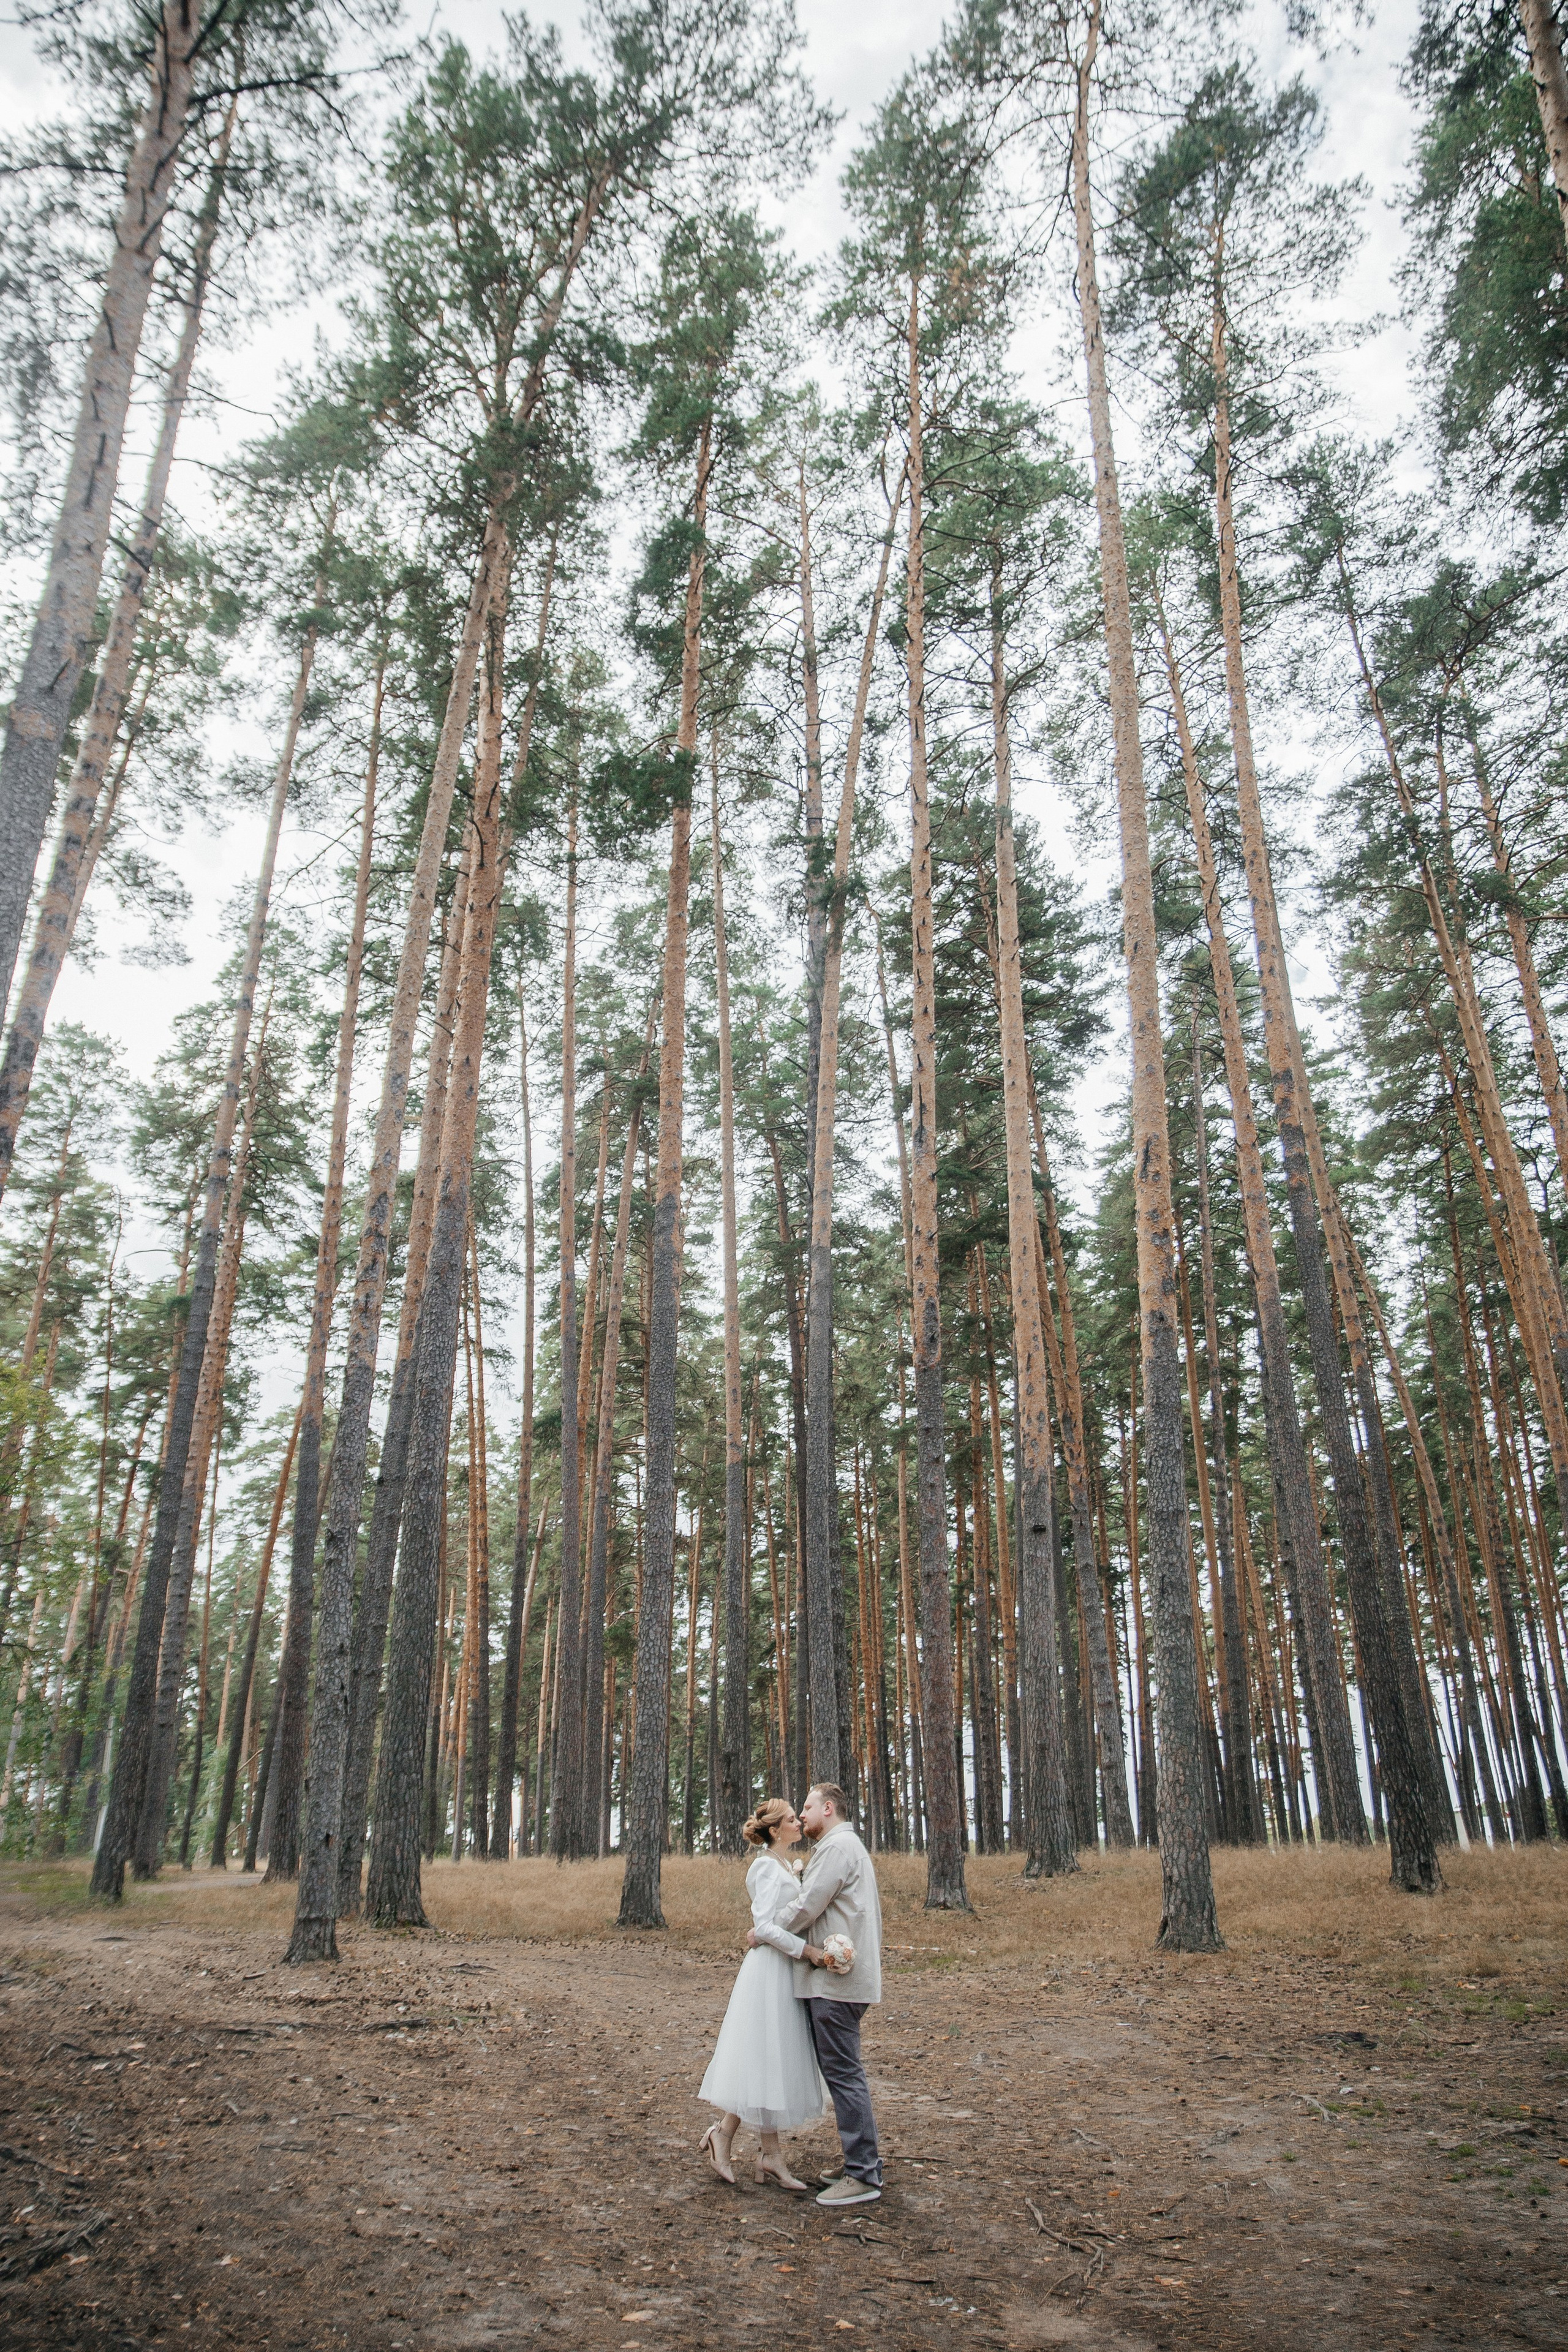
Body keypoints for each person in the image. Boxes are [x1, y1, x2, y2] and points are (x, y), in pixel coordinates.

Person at [747, 1781, 884, 2209]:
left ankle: (864, 2174)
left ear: (828, 1808)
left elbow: (808, 1906)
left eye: (806, 1807)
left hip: (836, 1982)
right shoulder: (845, 1847)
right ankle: (858, 2164)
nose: (802, 1816)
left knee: (845, 2075)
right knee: (843, 2073)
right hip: (839, 1980)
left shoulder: (838, 1848)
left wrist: (765, 1931)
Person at [697, 1797, 830, 2190]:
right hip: (770, 1971)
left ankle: (766, 2153)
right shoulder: (764, 1868)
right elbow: (766, 1928)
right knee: (763, 2054)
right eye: (792, 1819)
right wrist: (808, 1952)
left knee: (773, 2057)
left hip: (783, 1971)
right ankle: (731, 2138)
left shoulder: (784, 1865)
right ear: (775, 1831)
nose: (798, 1822)